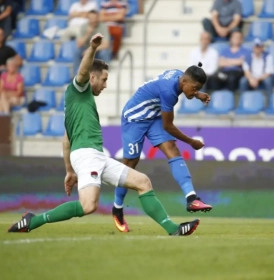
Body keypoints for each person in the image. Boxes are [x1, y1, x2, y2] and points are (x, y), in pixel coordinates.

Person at [7, 33, 200, 237]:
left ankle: (174, 229)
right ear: (92, 78)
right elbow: (82, 71)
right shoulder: (78, 89)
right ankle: (33, 221)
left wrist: (69, 171)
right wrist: (92, 48)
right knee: (88, 205)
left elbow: (66, 139)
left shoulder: (81, 103)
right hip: (87, 155)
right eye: (104, 79)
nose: (106, 85)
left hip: (95, 156)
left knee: (143, 182)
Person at [112, 64, 213, 232]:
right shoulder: (169, 93)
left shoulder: (180, 76)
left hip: (153, 116)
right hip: (134, 118)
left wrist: (197, 94)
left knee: (172, 148)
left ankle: (192, 199)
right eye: (194, 88)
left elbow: (179, 84)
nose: (194, 91)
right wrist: (191, 142)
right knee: (130, 165)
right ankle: (117, 208)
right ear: (185, 81)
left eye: (198, 89)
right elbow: (168, 126)